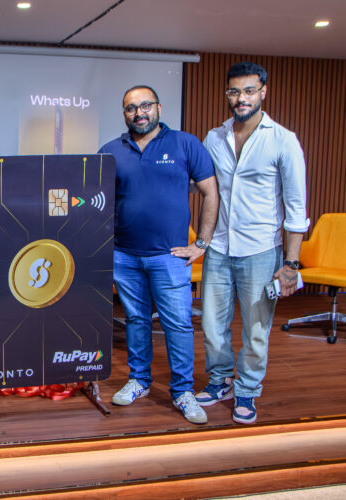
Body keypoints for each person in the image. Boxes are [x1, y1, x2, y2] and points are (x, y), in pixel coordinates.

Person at [196, 62, 309, 424]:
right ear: (227, 94)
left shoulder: (283, 140)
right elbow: (205, 190)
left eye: (248, 91)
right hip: (219, 247)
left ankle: (247, 389)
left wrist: (290, 264)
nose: (240, 98)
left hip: (261, 250)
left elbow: (296, 208)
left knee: (256, 330)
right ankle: (220, 380)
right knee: (212, 325)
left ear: (263, 92)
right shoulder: (214, 138)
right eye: (234, 91)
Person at [99, 85, 219, 424]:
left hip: (170, 256)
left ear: (159, 108)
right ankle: (139, 380)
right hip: (124, 256)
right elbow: (97, 201)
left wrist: (202, 243)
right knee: (136, 320)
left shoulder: (185, 144)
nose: (139, 113)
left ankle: (182, 391)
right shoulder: (110, 151)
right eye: (131, 108)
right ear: (124, 114)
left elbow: (211, 193)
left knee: (177, 324)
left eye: (145, 105)